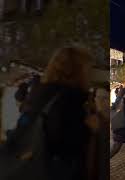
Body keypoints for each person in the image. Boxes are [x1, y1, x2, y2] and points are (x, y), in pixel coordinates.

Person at [3, 47, 95, 180]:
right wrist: (89, 128)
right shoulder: (69, 99)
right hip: (53, 170)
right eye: (88, 69)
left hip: (28, 164)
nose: (90, 74)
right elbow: (65, 142)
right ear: (77, 70)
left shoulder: (39, 91)